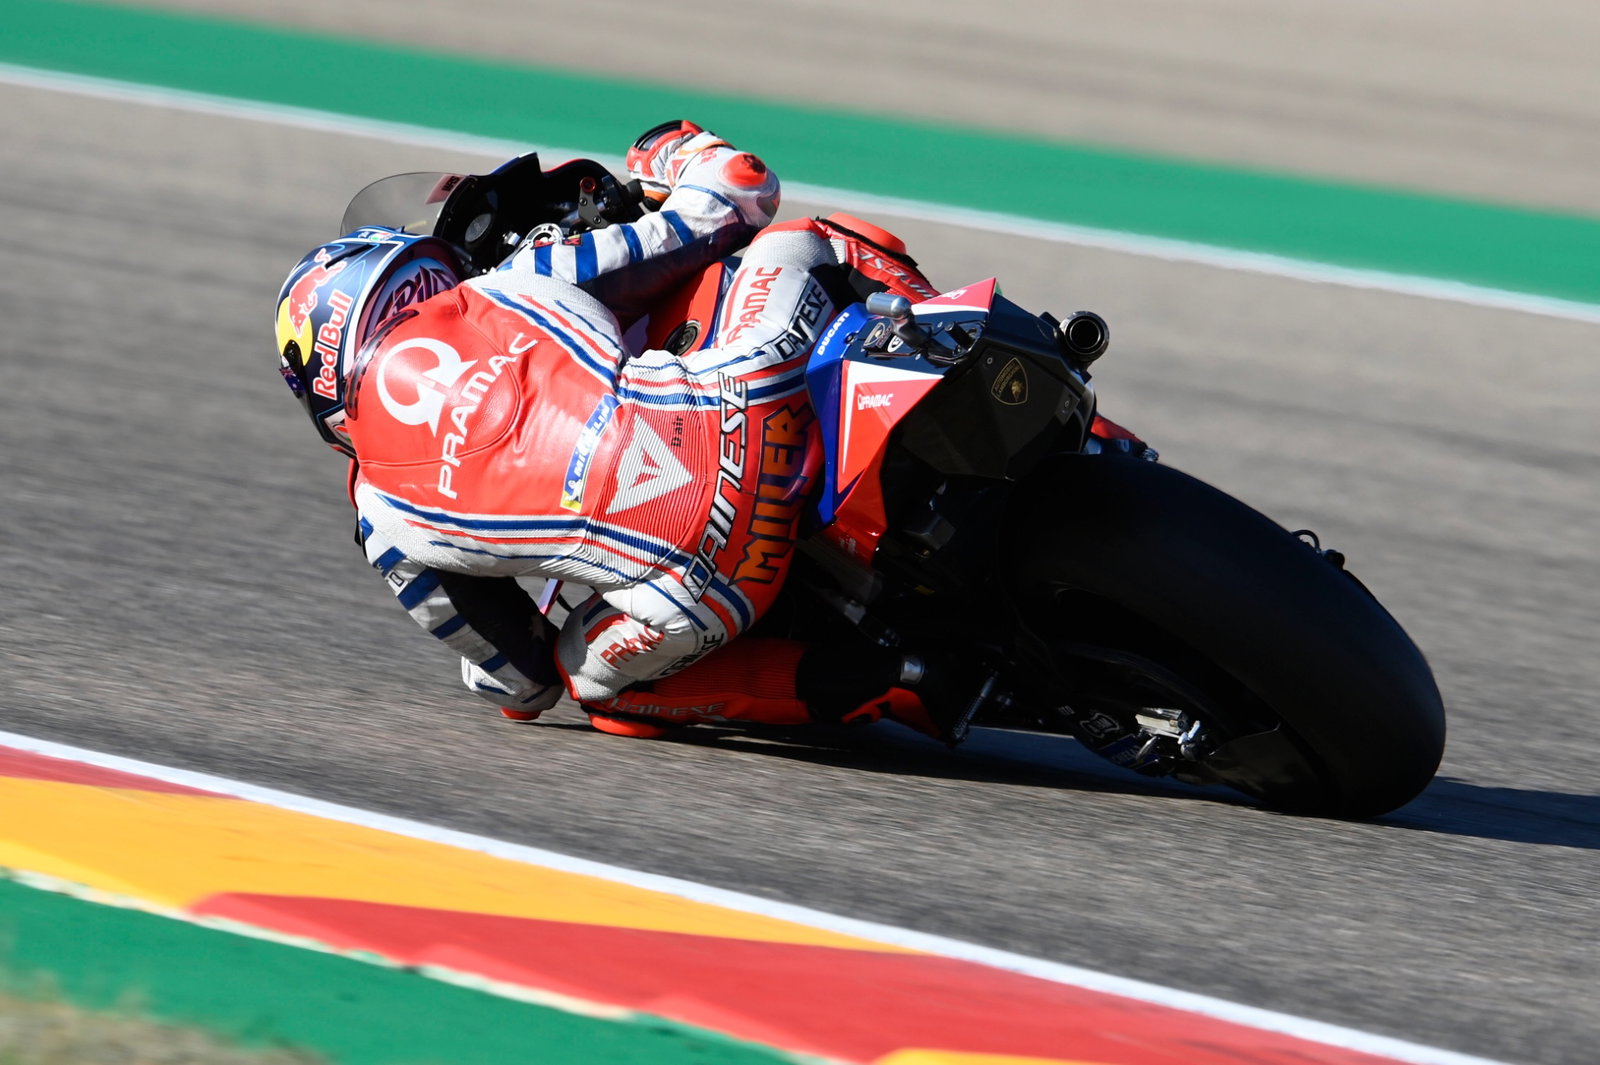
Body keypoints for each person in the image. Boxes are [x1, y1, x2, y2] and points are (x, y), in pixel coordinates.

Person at [275, 121, 982, 741]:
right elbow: (733, 199)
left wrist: (487, 673)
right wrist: (675, 150)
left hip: (709, 584)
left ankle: (895, 676)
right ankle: (960, 362)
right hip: (759, 401)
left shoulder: (382, 520)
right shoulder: (512, 279)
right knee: (814, 240)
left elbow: (525, 684)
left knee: (598, 685)